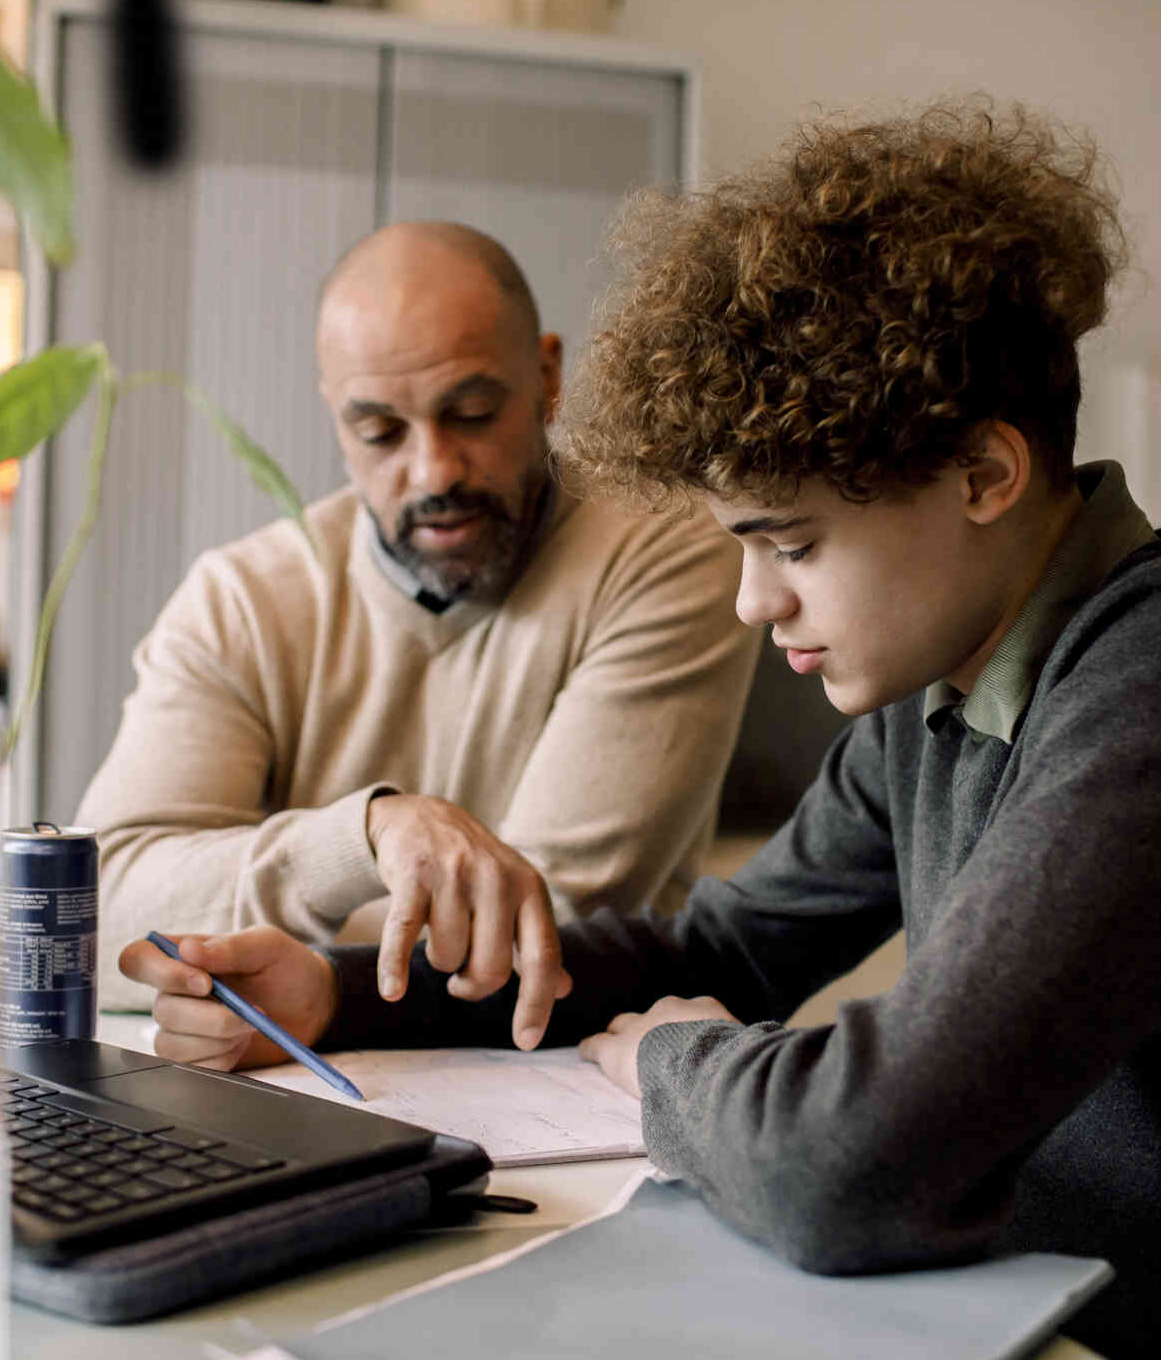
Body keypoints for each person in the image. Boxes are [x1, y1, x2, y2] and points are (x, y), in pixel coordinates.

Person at [116, 103, 1161, 1357]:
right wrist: (333, 989)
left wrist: (674, 1067)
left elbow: (854, 1160)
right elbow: (723, 949)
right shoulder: (936, 693)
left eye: (791, 544)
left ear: (984, 472)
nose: (757, 602)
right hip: (1009, 1312)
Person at [81, 221, 760, 1021]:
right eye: (380, 433)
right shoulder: (239, 600)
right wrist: (362, 839)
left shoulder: (663, 550)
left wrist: (259, 949)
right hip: (285, 1082)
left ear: (547, 377)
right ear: (336, 417)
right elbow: (91, 918)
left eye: (471, 412)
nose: (434, 469)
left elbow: (550, 926)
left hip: (565, 1084)